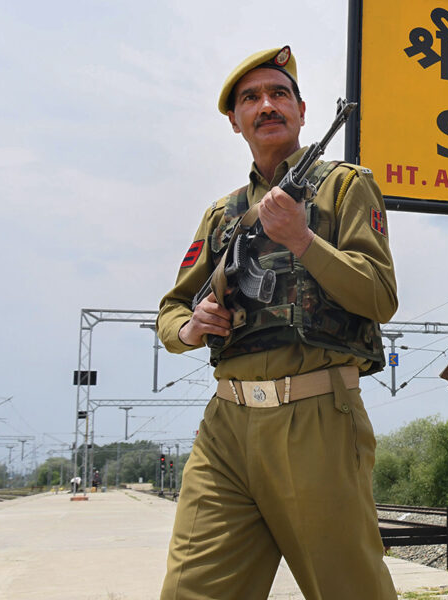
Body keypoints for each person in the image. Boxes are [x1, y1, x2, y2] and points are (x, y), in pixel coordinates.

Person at [155, 45, 397, 600]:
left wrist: (302, 240)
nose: (267, 105)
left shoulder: (344, 185)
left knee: (348, 589)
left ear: (302, 111)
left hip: (315, 417)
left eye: (279, 94)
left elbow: (380, 296)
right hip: (225, 427)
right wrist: (191, 328)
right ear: (235, 120)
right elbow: (171, 310)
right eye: (251, 98)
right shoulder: (222, 214)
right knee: (191, 590)